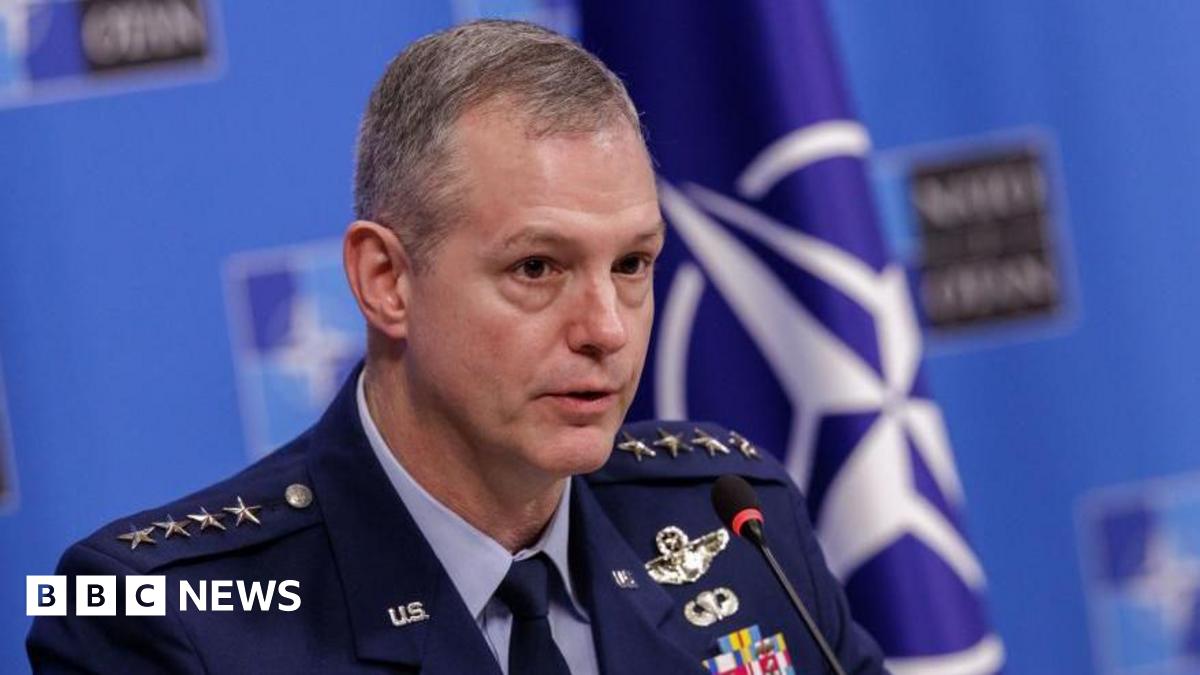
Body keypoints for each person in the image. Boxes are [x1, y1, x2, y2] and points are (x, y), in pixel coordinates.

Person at [28, 19, 885, 674]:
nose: (608, 328)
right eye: (538, 267)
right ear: (385, 281)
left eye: (632, 263)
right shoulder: (153, 615)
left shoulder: (735, 521)